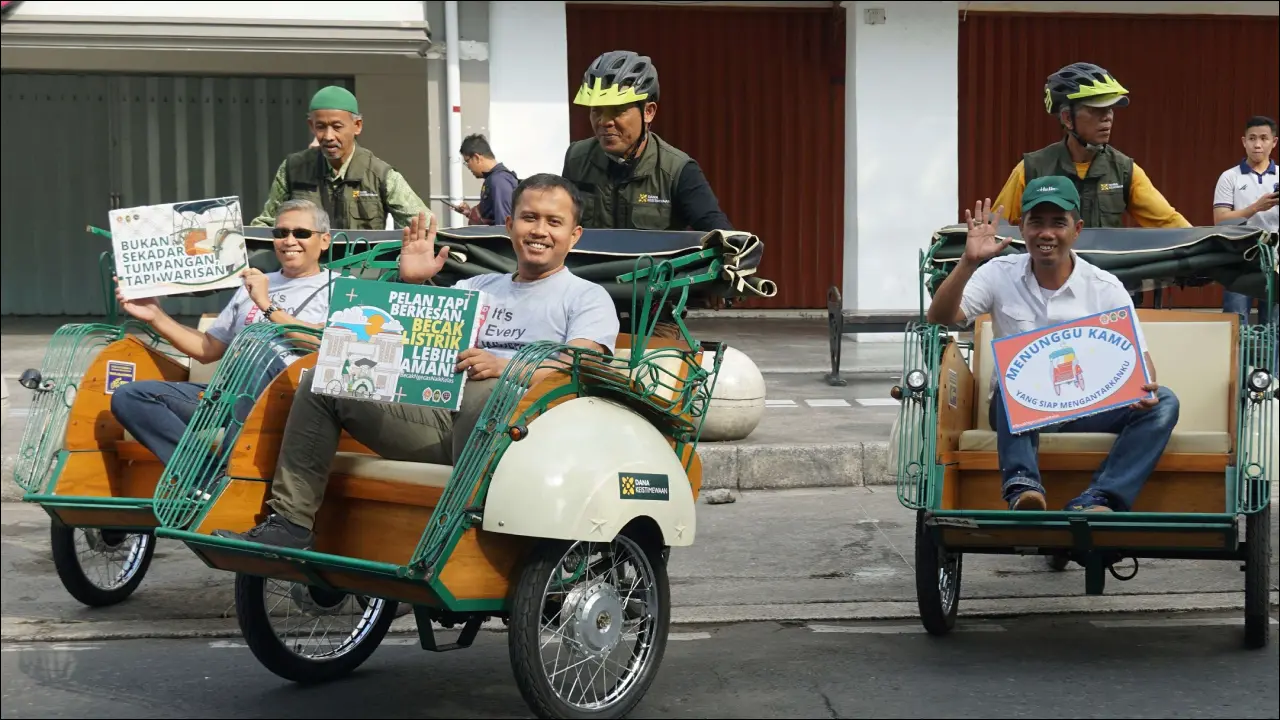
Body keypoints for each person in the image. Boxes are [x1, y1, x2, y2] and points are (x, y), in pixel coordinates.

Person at [212, 174, 620, 550]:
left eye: (554, 222)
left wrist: (505, 367)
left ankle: (467, 531)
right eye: (530, 218)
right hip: (440, 422)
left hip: (520, 436)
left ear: (574, 235)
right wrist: (414, 283)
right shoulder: (477, 286)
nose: (540, 231)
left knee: (489, 388)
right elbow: (418, 335)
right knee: (325, 379)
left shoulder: (585, 296)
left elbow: (581, 366)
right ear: (510, 224)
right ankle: (290, 523)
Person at [926, 177, 1180, 513]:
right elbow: (940, 317)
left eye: (1058, 223)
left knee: (1165, 402)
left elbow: (1140, 359)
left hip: (1087, 408)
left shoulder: (1105, 287)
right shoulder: (998, 273)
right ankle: (1023, 489)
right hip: (1016, 408)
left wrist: (1143, 388)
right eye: (1036, 223)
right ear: (1021, 228)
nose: (1046, 234)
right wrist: (968, 262)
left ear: (1077, 230)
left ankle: (1099, 498)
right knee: (1012, 378)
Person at [110, 199, 338, 466]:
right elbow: (208, 349)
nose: (289, 241)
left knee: (257, 345)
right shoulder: (254, 282)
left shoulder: (339, 287)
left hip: (292, 400)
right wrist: (155, 315)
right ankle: (202, 475)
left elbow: (322, 345)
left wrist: (266, 305)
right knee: (130, 397)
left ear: (324, 241)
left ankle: (230, 471)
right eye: (281, 233)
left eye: (301, 233)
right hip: (230, 394)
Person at [994, 63, 1190, 230]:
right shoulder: (1031, 169)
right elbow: (995, 229)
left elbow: (1170, 223)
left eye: (1110, 109)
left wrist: (1201, 245)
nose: (1107, 117)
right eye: (1097, 109)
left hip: (1104, 265)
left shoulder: (1124, 170)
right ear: (1067, 118)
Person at [561, 50, 732, 233]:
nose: (604, 121)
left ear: (648, 112)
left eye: (618, 110)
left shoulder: (677, 170)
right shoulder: (577, 158)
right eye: (596, 110)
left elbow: (719, 232)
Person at [249, 86, 431, 231]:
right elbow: (267, 224)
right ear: (311, 126)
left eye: (337, 127)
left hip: (361, 266)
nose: (328, 136)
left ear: (357, 126)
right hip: (308, 267)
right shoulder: (293, 169)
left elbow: (425, 226)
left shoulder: (380, 175)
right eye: (320, 127)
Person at [1213, 115, 1279, 324]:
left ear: (1274, 142)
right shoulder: (1229, 177)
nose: (1257, 144)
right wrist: (1255, 208)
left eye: (1264, 138)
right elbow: (1220, 220)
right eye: (1252, 138)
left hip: (1276, 260)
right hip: (1239, 259)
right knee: (1236, 321)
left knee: (1275, 324)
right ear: (1244, 141)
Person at [454, 133, 519, 226]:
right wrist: (470, 213)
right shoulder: (494, 179)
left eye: (467, 161)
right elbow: (490, 217)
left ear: (477, 157)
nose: (468, 166)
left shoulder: (498, 181)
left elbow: (504, 225)